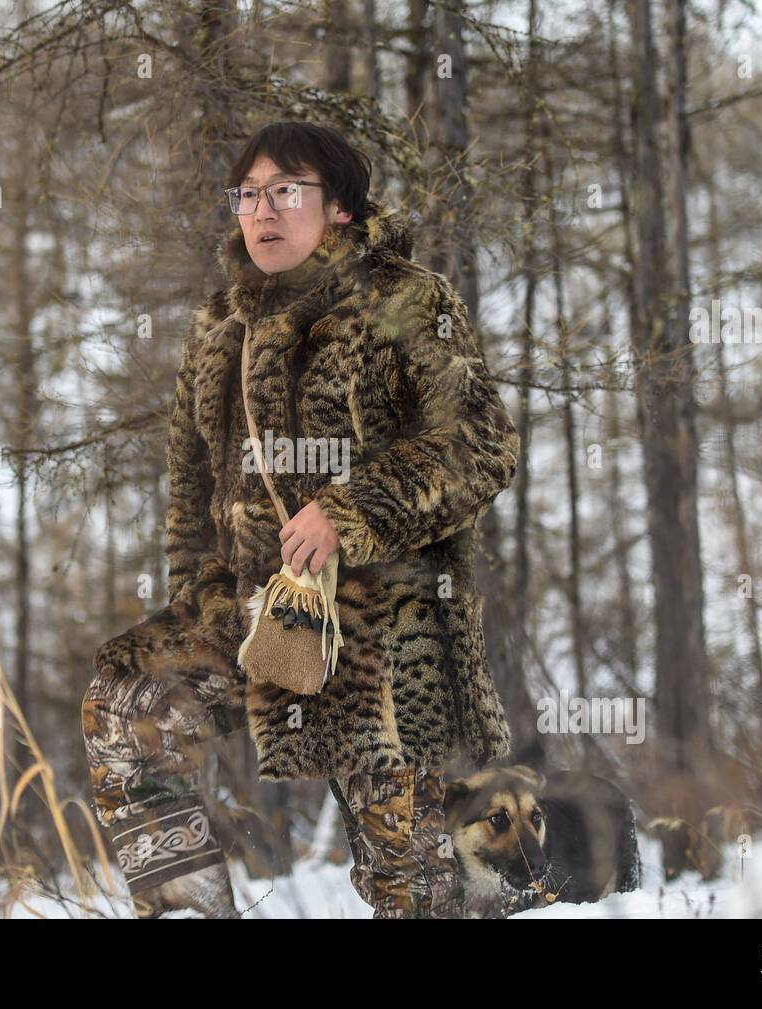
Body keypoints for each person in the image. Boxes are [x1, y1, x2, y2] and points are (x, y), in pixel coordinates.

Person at [81, 121, 520, 918]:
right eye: (248, 193)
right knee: (128, 700)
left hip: (387, 638)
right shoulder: (216, 327)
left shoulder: (407, 301)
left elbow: (482, 445)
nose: (262, 209)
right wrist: (200, 596)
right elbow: (189, 494)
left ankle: (565, 865)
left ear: (341, 209)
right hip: (259, 622)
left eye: (286, 190)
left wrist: (347, 512)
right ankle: (185, 906)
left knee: (414, 889)